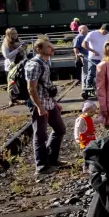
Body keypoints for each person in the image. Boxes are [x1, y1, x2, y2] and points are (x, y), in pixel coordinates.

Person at [25, 37, 65, 175]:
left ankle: (51, 159)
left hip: (49, 103)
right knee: (40, 136)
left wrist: (54, 102)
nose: (52, 48)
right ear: (38, 49)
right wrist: (39, 107)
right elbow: (31, 88)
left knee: (60, 129)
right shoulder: (34, 64)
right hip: (40, 105)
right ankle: (41, 167)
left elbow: (46, 86)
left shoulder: (45, 62)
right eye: (48, 46)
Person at [83, 23, 109, 100]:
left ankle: (104, 88)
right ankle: (87, 88)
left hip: (103, 58)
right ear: (101, 29)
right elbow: (83, 44)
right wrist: (93, 51)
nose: (106, 33)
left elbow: (108, 45)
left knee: (104, 74)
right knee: (91, 73)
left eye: (107, 32)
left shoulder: (108, 35)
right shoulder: (92, 34)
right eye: (105, 32)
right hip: (93, 58)